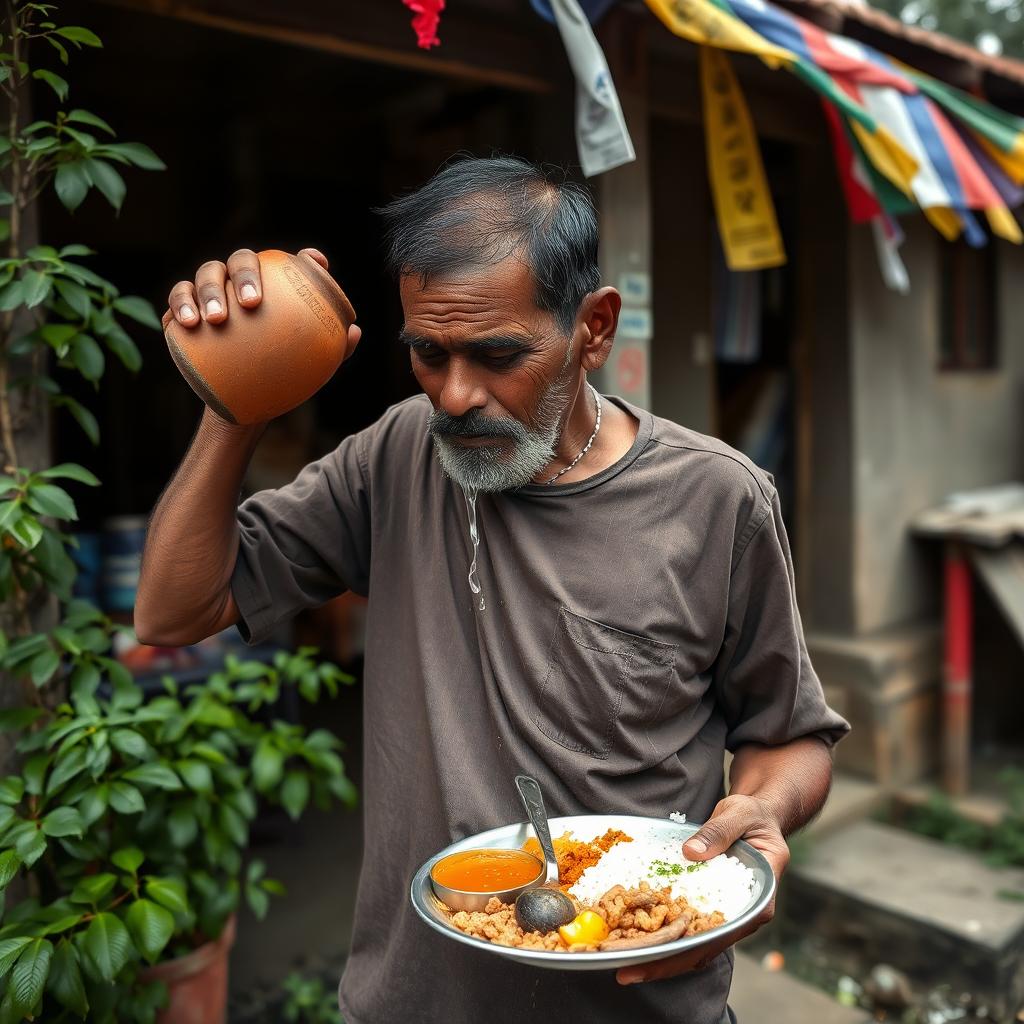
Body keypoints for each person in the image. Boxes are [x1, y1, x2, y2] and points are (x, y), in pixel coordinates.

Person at [135, 155, 849, 1024]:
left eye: (497, 354)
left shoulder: (716, 500)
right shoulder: (396, 457)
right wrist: (233, 402)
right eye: (428, 354)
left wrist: (762, 814)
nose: (456, 395)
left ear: (594, 328)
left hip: (642, 1000)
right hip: (412, 1003)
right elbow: (174, 611)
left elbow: (792, 735)